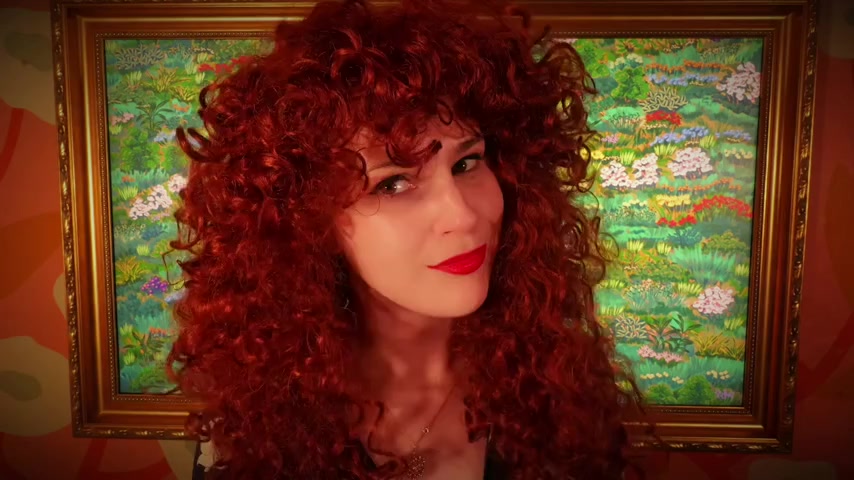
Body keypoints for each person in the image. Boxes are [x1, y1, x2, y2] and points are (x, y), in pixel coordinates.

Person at [167, 0, 649, 478]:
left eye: (467, 163)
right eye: (393, 183)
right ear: (309, 223)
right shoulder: (258, 423)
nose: (461, 215)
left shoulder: (558, 385)